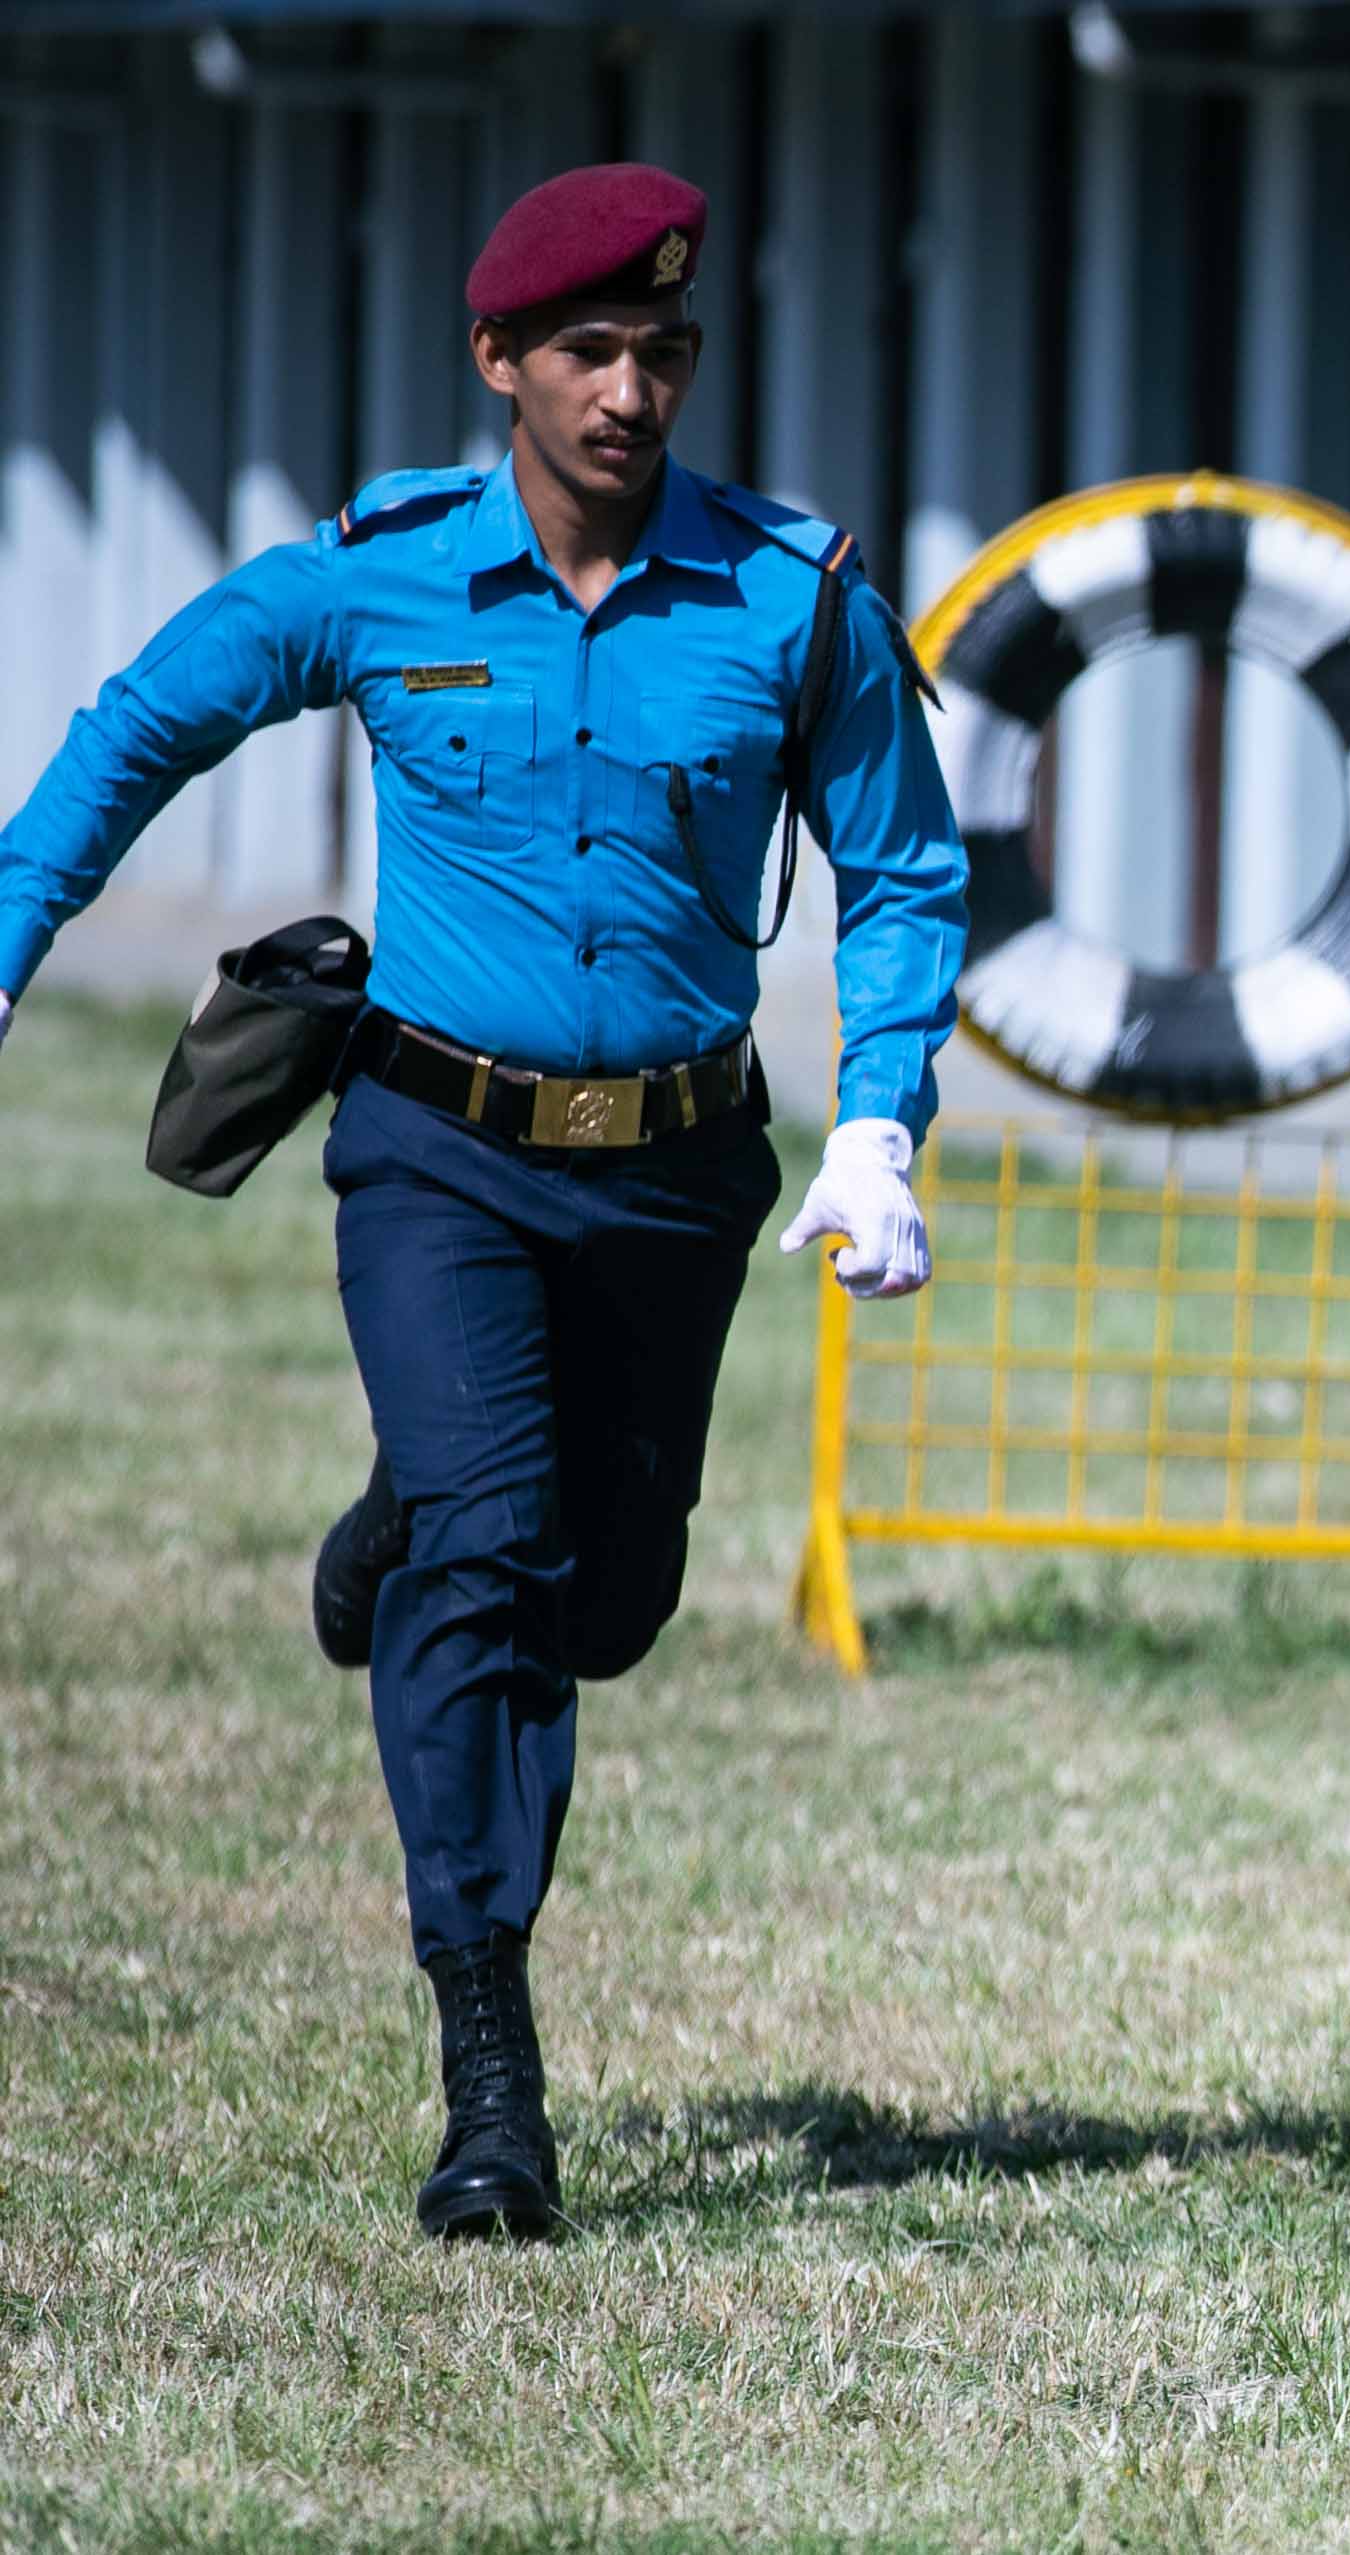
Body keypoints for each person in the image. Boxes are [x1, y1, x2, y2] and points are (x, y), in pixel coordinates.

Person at [0, 164, 971, 2240]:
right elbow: (136, 729)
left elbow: (903, 871)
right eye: (590, 353)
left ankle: (404, 1509)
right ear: (500, 366)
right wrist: (7, 935)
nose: (633, 391)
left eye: (666, 353)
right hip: (435, 1153)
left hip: (682, 1171)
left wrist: (879, 1125)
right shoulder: (382, 574)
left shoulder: (793, 599)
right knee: (497, 1565)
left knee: (606, 1595)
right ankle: (491, 2069)